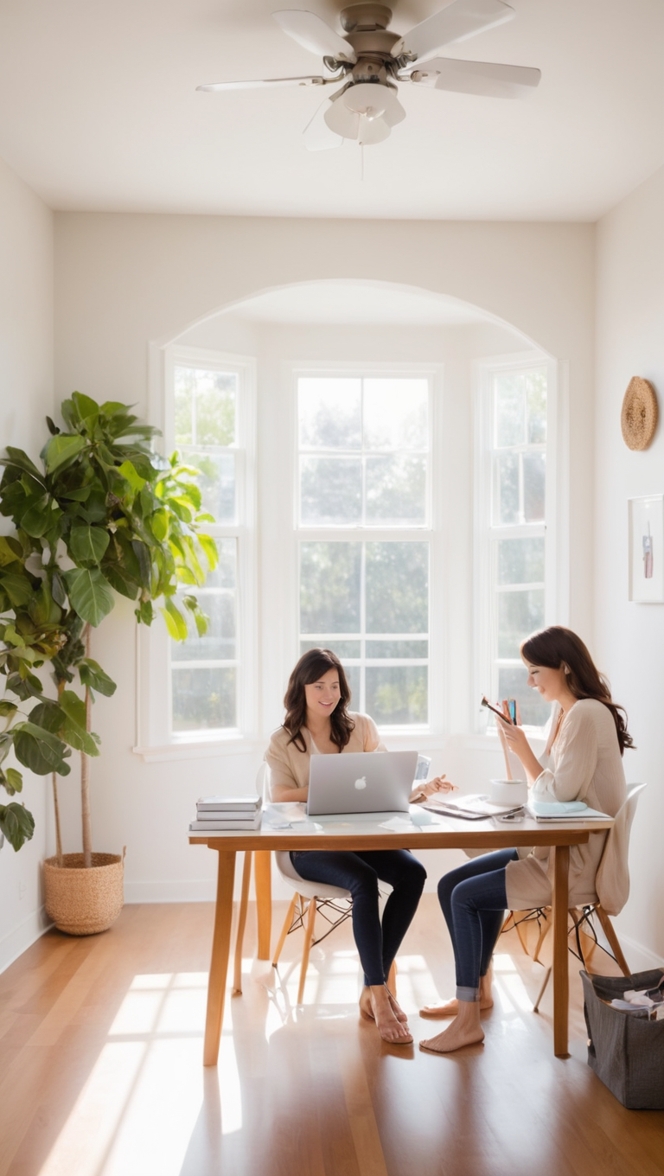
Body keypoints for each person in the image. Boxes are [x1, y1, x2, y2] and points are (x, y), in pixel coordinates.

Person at [419, 625, 633, 1054]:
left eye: (536, 671)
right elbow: (542, 792)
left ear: (564, 667)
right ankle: (477, 992)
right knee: (449, 886)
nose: (530, 682)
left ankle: (466, 1021)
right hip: (549, 847)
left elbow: (559, 794)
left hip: (570, 862)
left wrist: (524, 752)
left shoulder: (587, 715)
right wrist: (512, 747)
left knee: (464, 897)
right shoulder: (565, 714)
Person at [266, 647, 454, 1045]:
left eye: (334, 685)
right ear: (301, 688)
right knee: (363, 882)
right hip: (307, 847)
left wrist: (420, 789)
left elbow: (386, 783)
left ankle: (373, 987)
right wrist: (324, 783)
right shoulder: (282, 742)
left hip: (364, 838)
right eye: (319, 685)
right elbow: (279, 796)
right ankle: (381, 995)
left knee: (413, 873)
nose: (328, 694)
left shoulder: (361, 727)